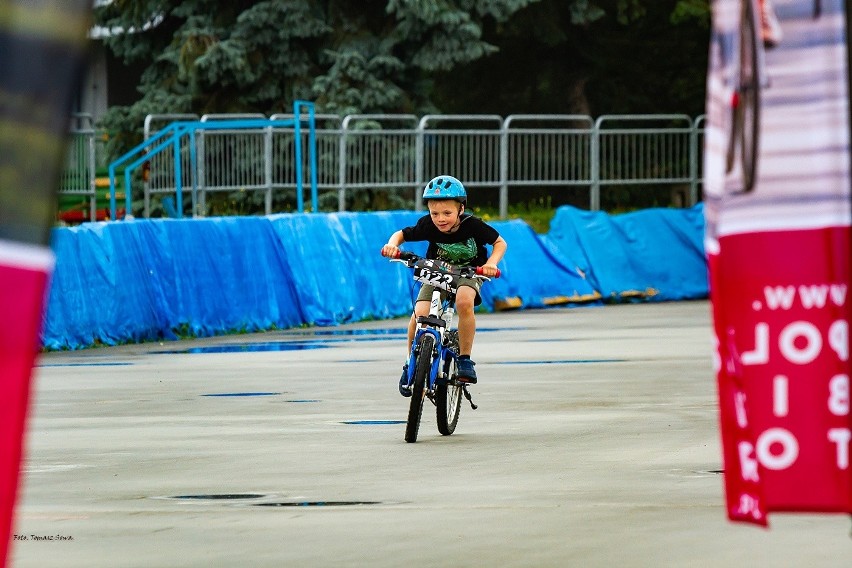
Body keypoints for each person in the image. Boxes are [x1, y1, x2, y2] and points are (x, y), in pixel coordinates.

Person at [381, 175, 507, 396]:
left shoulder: (473, 226)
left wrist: (490, 264)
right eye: (435, 213)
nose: (440, 219)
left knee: (464, 301)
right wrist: (392, 245)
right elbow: (401, 234)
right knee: (419, 314)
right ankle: (410, 361)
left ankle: (465, 359)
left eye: (447, 213)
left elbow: (500, 243)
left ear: (460, 209)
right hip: (437, 270)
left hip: (469, 271)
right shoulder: (428, 225)